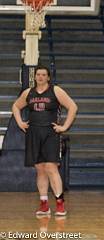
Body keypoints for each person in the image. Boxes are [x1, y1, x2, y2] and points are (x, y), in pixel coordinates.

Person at [12, 65, 77, 216]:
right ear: (34, 77)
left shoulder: (56, 91)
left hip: (50, 133)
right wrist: (20, 122)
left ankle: (60, 203)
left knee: (51, 167)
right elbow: (15, 106)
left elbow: (73, 107)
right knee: (40, 169)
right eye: (38, 74)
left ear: (48, 77)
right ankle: (44, 204)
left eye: (43, 75)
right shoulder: (28, 93)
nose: (40, 77)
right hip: (33, 133)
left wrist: (64, 126)